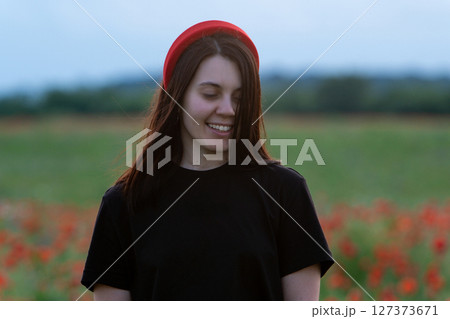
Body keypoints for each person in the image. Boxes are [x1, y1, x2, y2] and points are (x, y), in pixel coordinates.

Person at [81, 20, 334, 301]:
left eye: (240, 97)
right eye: (210, 94)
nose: (227, 110)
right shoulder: (123, 204)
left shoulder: (286, 193)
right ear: (176, 97)